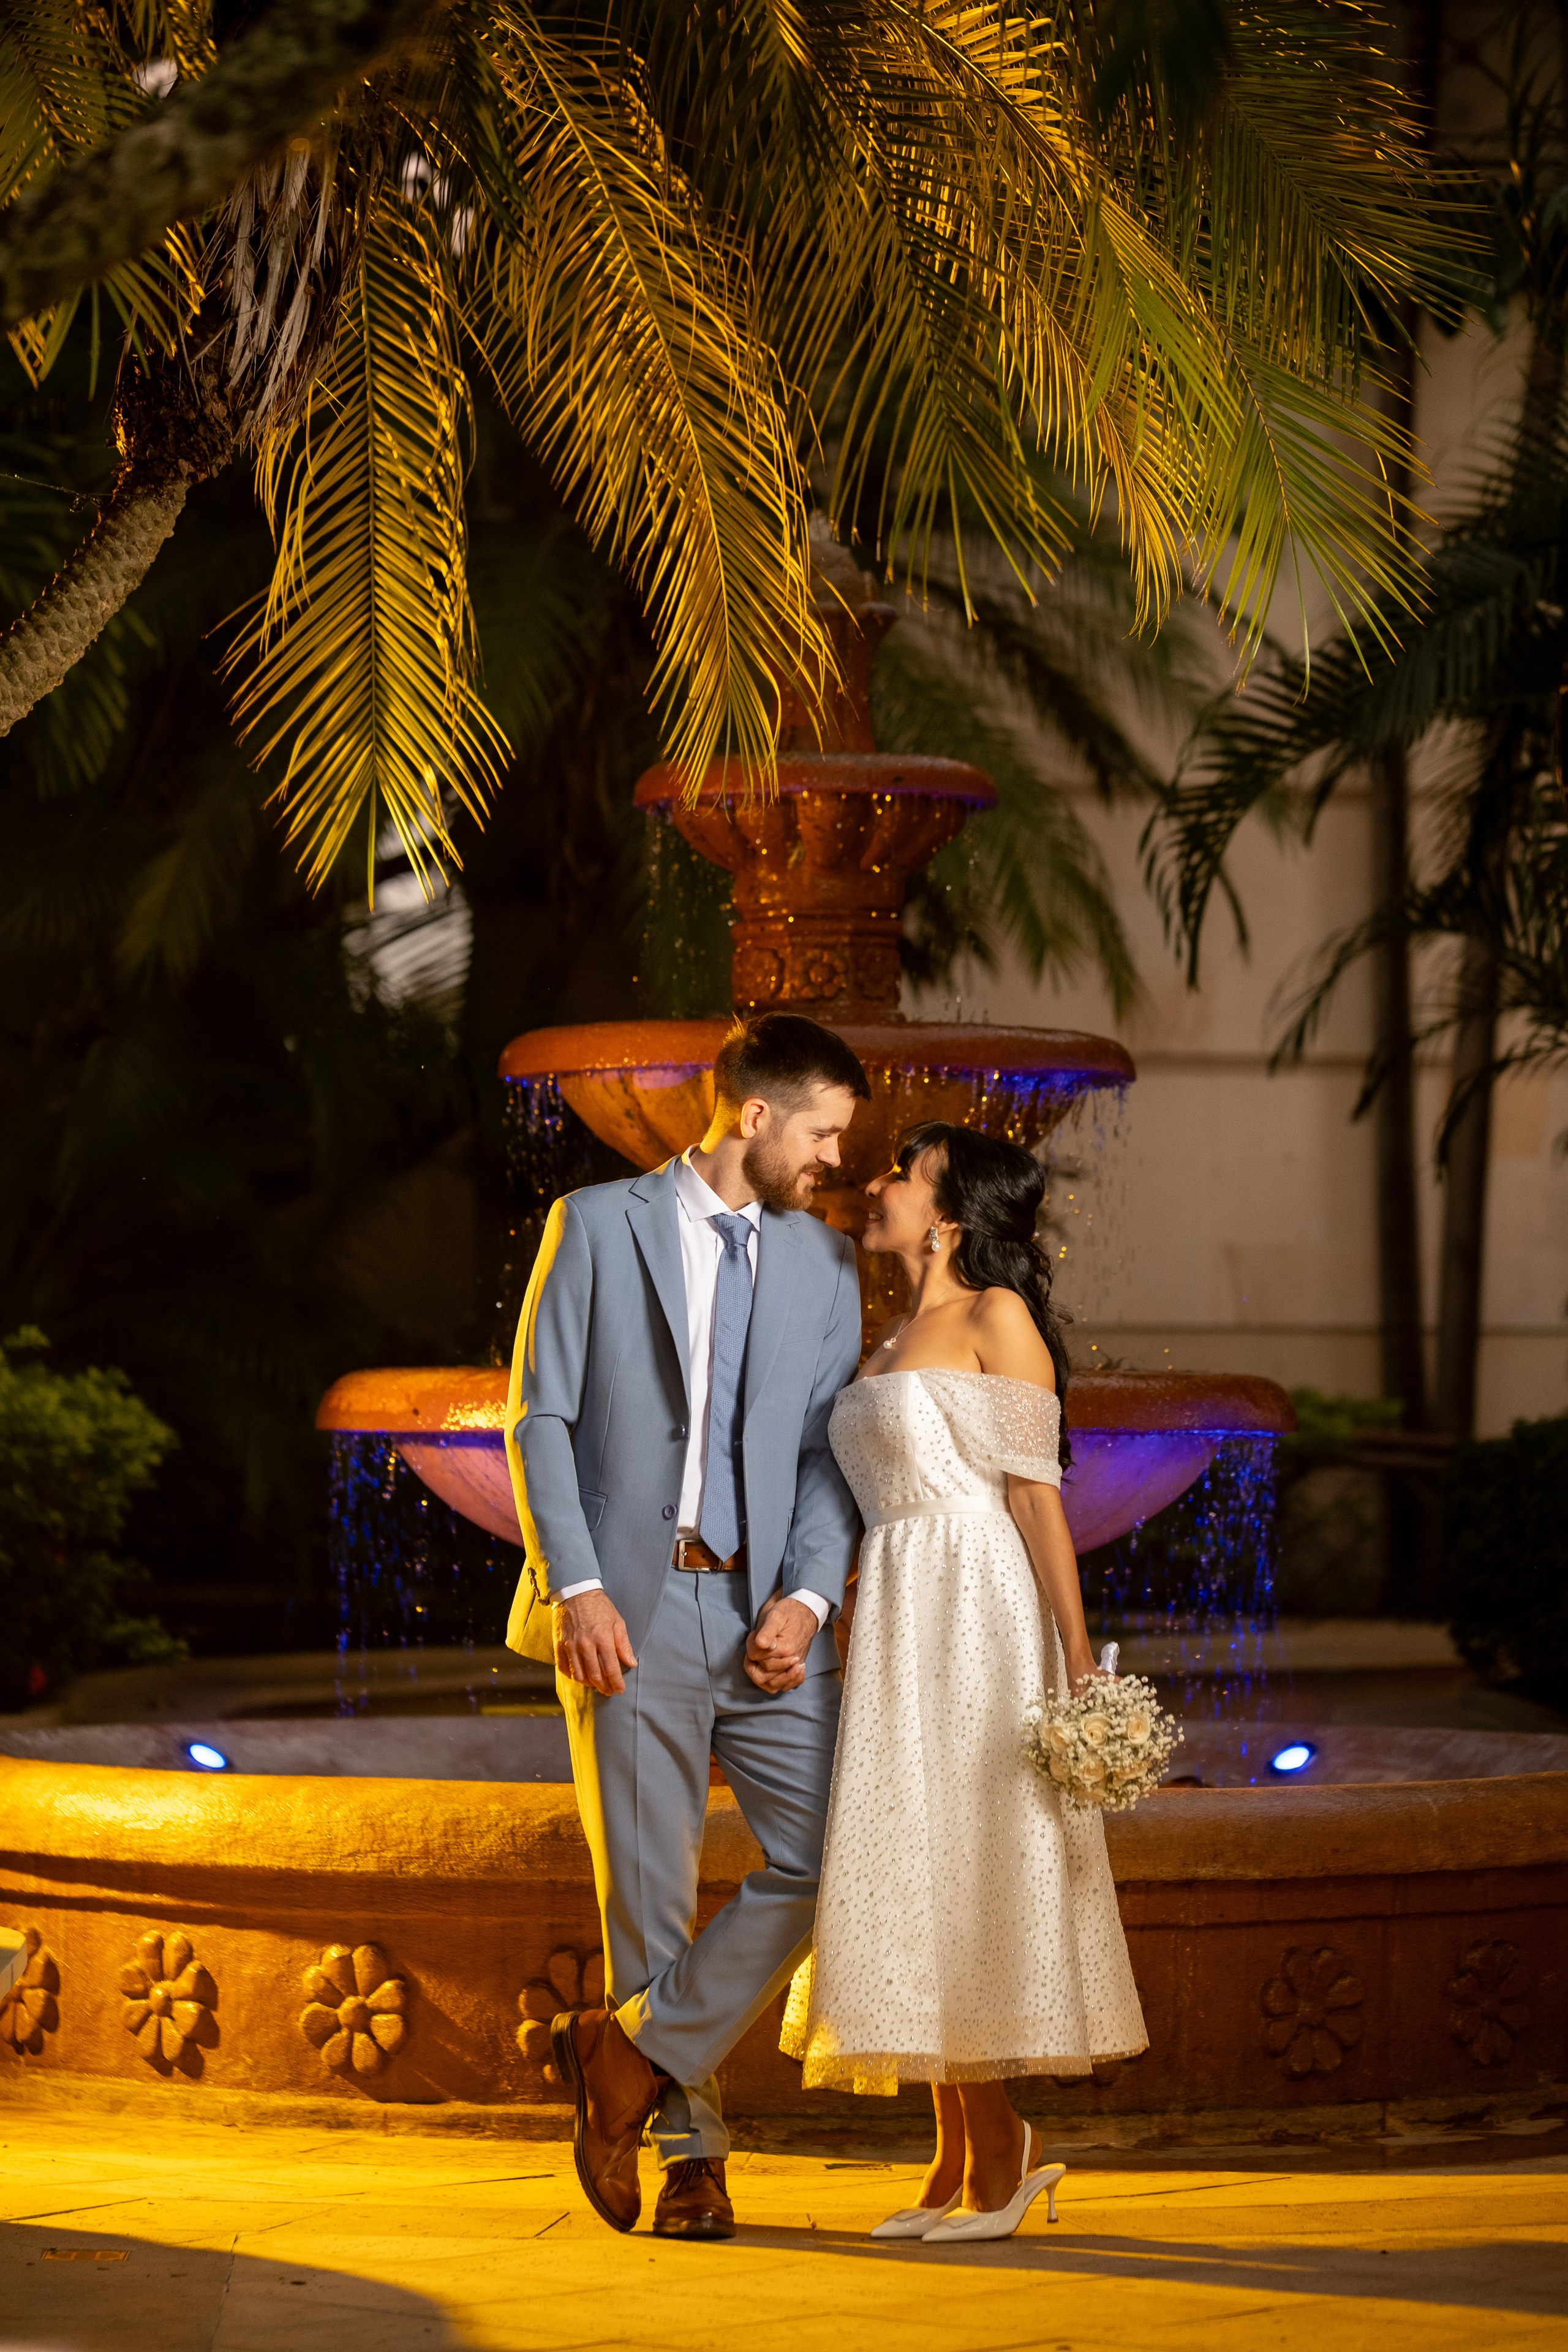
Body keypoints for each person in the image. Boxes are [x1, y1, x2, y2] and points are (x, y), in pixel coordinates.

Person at [503, 1011, 869, 2241]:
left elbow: (829, 1455)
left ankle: (625, 2055)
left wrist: (809, 1597)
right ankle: (691, 2157)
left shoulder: (824, 1266)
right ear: (752, 1114)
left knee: (831, 1859)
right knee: (648, 1901)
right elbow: (538, 1419)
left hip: (767, 1614)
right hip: (628, 1603)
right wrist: (578, 1585)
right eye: (820, 1131)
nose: (832, 1158)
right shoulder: (595, 1225)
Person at [782, 1121, 1147, 2242]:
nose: (877, 1184)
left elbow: (1038, 1496)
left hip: (974, 1601)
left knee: (968, 1858)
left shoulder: (997, 1317)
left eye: (903, 1172)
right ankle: (960, 2154)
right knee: (915, 1859)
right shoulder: (888, 1331)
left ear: (946, 1214)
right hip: (895, 1595)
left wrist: (1077, 1659)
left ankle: (1000, 2155)